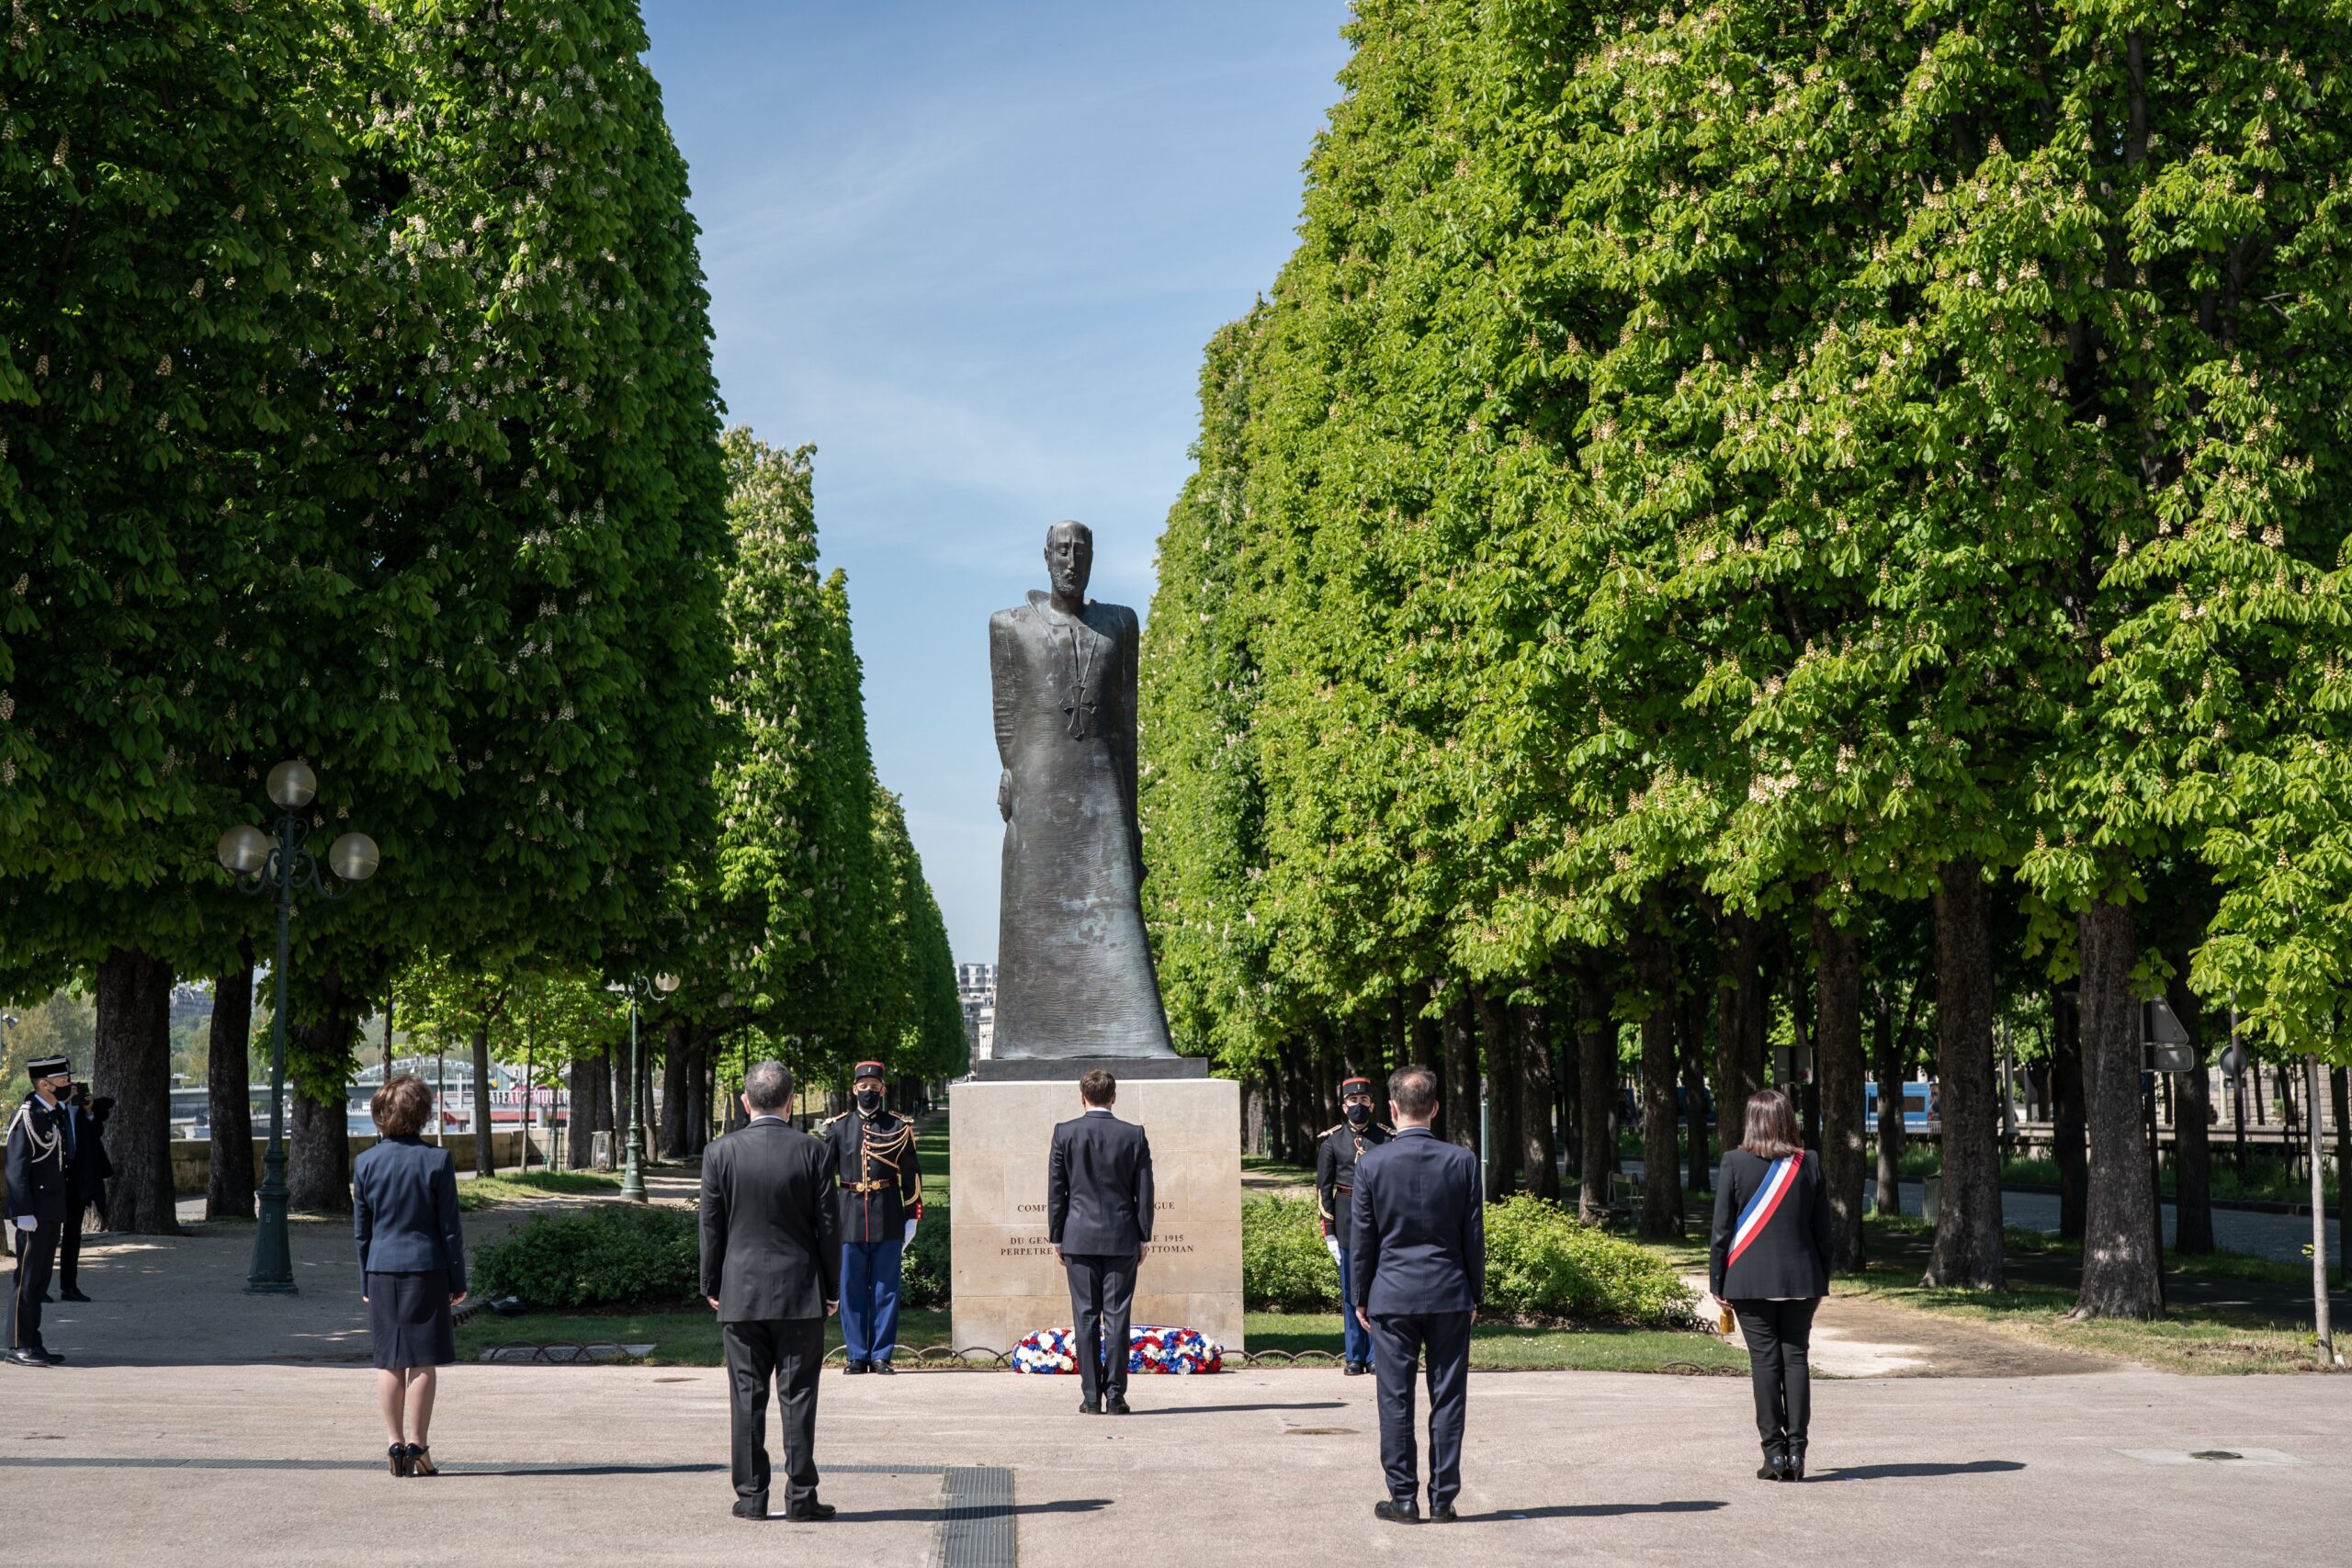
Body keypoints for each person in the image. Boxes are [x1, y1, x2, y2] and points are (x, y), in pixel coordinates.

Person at [702, 1059, 841, 1522]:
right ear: (791, 1101)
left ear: (745, 1102)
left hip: (739, 1291)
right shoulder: (814, 1151)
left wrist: (710, 1283)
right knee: (798, 1396)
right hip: (799, 1291)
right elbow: (828, 1228)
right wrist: (832, 1287)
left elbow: (711, 1227)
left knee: (746, 1397)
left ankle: (752, 1496)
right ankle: (801, 1497)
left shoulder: (719, 1153)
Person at [1351, 1065, 1483, 1525]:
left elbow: (1362, 1238)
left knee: (1395, 1398)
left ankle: (1403, 1498)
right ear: (1435, 1108)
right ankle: (1443, 1499)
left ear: (1391, 1108)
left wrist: (1359, 1295)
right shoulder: (1462, 1161)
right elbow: (1472, 1237)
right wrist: (1474, 1294)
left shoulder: (1370, 1163)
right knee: (1448, 1399)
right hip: (1449, 1293)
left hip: (1391, 1295)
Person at [1708, 1086, 1832, 1483]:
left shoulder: (1732, 1162)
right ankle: (1798, 1455)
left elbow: (1721, 1231)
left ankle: (1774, 1456)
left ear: (1752, 1121)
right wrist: (1820, 1282)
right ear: (1787, 1120)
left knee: (1764, 1363)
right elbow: (1824, 1233)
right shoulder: (1808, 1162)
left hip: (1747, 1279)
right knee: (1795, 1360)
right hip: (1801, 1278)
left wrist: (1717, 1281)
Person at [353, 1075, 468, 1477]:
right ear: (422, 1114)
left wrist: (366, 1280)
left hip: (381, 1269)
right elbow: (449, 1228)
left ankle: (393, 1443)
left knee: (389, 1361)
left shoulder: (365, 1163)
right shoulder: (437, 1160)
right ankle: (418, 1446)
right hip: (427, 1268)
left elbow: (362, 1231)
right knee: (422, 1361)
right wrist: (458, 1280)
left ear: (381, 1115)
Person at [1046, 1067, 1153, 1416]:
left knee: (1086, 1318)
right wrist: (1143, 1234)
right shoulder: (1134, 1135)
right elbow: (1144, 1192)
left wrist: (1057, 1235)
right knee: (1118, 1318)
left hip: (1078, 1237)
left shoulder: (1065, 1133)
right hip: (1122, 1237)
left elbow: (1057, 1191)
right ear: (1113, 1096)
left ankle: (1092, 1397)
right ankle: (1117, 1396)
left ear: (1082, 1096)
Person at [820, 1059, 922, 1375]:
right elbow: (824, 1180)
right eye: (863, 1087)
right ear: (854, 1090)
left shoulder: (898, 1126)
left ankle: (881, 1354)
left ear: (883, 1090)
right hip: (849, 1217)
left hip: (888, 1216)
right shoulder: (838, 1127)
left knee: (886, 1289)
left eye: (874, 1087)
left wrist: (912, 1218)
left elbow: (912, 1176)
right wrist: (825, 1221)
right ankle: (856, 1354)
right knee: (850, 1289)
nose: (868, 1091)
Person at [1316, 1075, 1391, 1376]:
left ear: (1372, 1104)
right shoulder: (1332, 1141)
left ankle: (1375, 1355)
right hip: (1346, 1218)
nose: (1358, 1106)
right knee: (1350, 1291)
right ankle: (1354, 1355)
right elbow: (1324, 1190)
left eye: (1363, 1101)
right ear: (1343, 1106)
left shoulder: (1387, 1138)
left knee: (1376, 1289)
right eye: (1352, 1101)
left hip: (1379, 1221)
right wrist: (1329, 1232)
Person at [5, 1055, 75, 1368]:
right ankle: (18, 1344)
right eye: (62, 1081)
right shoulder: (28, 1117)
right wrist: (22, 1212)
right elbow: (16, 1169)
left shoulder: (52, 1115)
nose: (68, 1085)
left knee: (41, 1280)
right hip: (34, 1212)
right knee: (27, 1279)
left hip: (50, 1210)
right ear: (44, 1084)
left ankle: (34, 1341)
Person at [53, 1085, 112, 1302]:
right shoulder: (46, 1106)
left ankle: (69, 1286)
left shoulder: (76, 1108)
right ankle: (37, 1287)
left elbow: (95, 1133)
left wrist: (88, 1112)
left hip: (76, 1178)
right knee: (47, 1236)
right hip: (54, 1178)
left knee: (72, 1235)